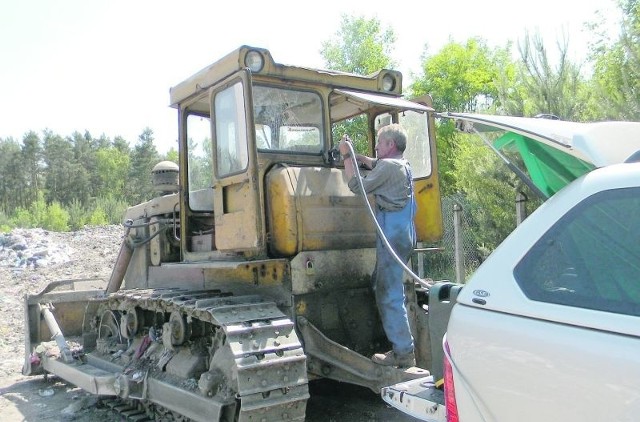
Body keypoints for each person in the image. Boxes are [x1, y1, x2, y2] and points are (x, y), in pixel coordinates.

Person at [338, 124, 417, 368]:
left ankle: (403, 352)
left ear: (390, 145)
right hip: (404, 232)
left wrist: (346, 156)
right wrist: (361, 158)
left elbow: (356, 186)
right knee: (381, 283)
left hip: (391, 235)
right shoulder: (402, 164)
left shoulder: (388, 167)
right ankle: (394, 339)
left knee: (388, 293)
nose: (376, 146)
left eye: (380, 143)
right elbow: (378, 165)